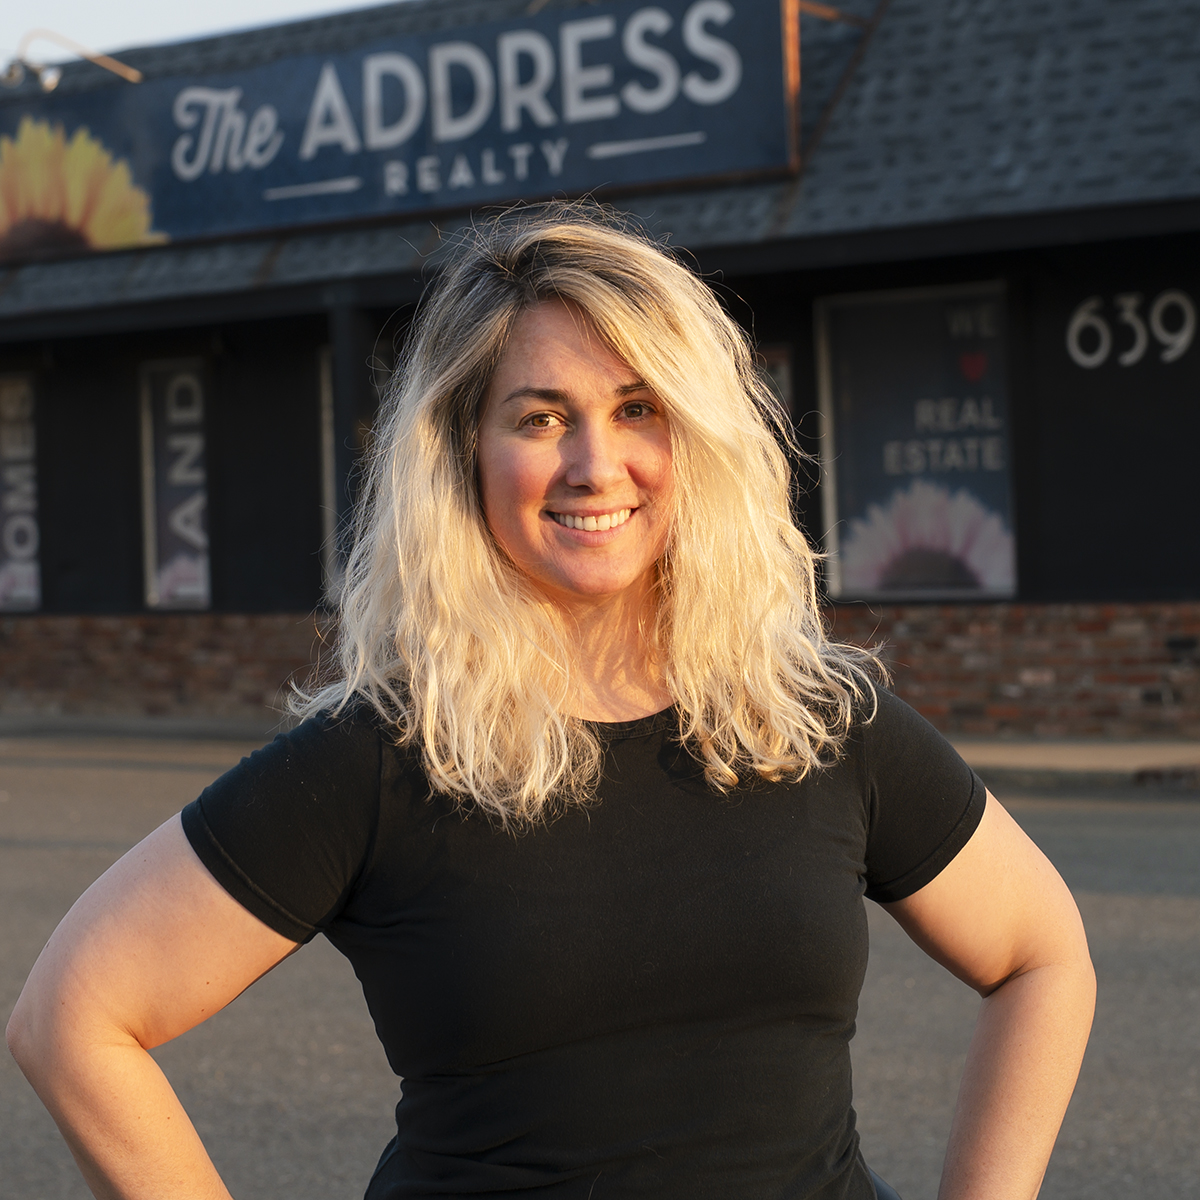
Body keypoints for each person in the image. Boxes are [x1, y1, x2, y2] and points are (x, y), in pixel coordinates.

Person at [7, 205, 1094, 1200]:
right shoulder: (385, 757)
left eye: (637, 409)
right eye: (539, 418)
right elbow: (75, 1019)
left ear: (696, 440)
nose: (596, 462)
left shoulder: (808, 719)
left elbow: (1041, 954)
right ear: (464, 456)